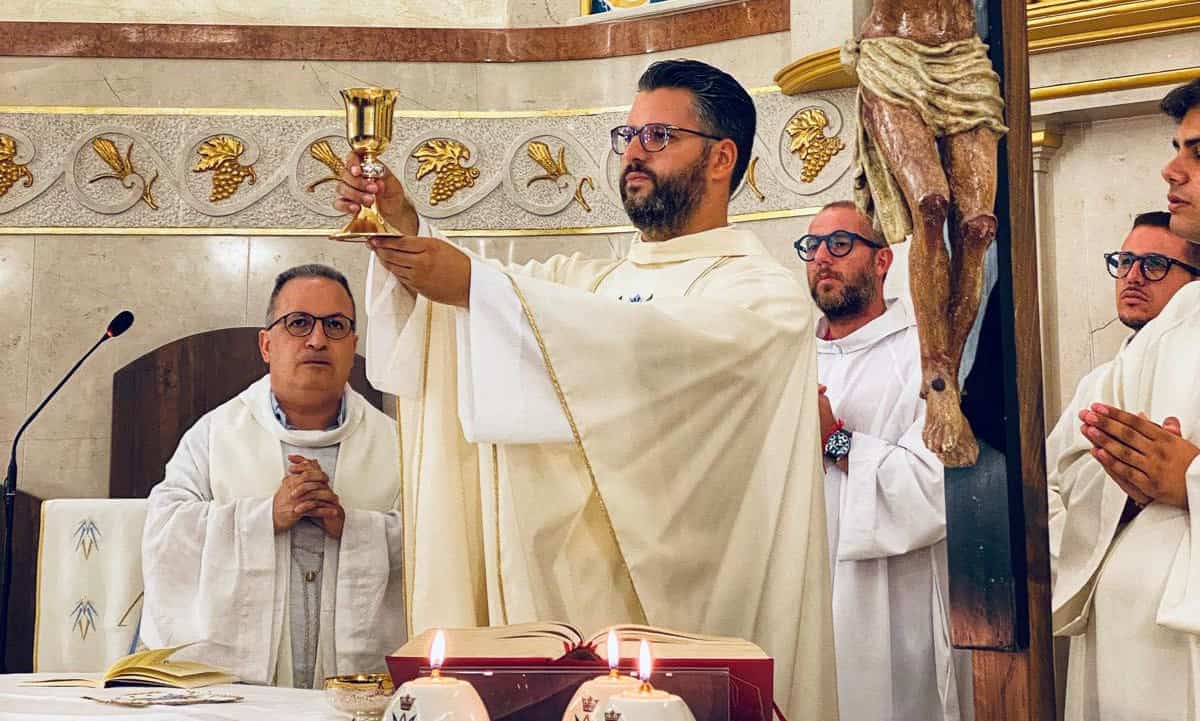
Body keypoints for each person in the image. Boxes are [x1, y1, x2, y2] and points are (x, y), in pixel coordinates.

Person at [335, 59, 838, 720]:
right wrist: (406, 228)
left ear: (721, 158)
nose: (633, 153)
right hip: (563, 625)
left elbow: (651, 350)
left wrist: (477, 289)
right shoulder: (594, 282)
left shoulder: (763, 297)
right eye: (627, 136)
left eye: (658, 136)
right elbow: (504, 301)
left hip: (694, 629)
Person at [141, 264, 405, 688]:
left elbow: (437, 545)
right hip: (238, 696)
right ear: (267, 344)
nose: (317, 339)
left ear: (353, 345)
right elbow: (165, 530)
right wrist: (266, 517)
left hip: (362, 691)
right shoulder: (214, 435)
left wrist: (352, 527)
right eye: (298, 323)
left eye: (335, 325)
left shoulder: (397, 444)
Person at [1051, 79, 1200, 720]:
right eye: (1176, 148)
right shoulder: (1178, 322)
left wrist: (1188, 478)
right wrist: (1126, 483)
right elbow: (1067, 470)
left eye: (1198, 152)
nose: (1172, 170)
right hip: (1127, 642)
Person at [802, 201, 971, 721]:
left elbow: (936, 487)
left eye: (840, 244)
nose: (822, 258)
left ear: (882, 262)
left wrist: (834, 440)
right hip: (806, 590)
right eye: (812, 247)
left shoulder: (927, 354)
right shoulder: (790, 356)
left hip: (893, 605)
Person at [844, 0, 1008, 467]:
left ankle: (947, 375)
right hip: (894, 55)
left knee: (978, 228)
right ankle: (938, 385)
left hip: (965, 59)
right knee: (930, 206)